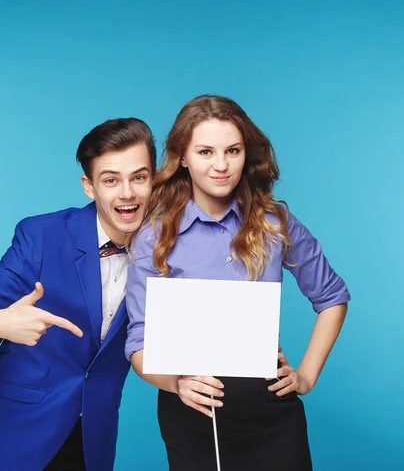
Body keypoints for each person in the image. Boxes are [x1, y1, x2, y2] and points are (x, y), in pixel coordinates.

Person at [125, 95, 350, 471]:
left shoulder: (274, 222)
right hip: (192, 413)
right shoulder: (154, 236)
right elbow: (138, 342)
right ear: (182, 157)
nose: (221, 165)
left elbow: (332, 297)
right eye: (205, 152)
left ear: (247, 154)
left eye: (233, 150)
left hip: (270, 413)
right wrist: (176, 383)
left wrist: (306, 375)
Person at [0, 118, 156, 471]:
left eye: (139, 177)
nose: (127, 193)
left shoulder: (167, 250)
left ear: (153, 180)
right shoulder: (42, 236)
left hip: (93, 438)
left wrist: (266, 362)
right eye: (111, 179)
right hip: (16, 432)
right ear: (89, 186)